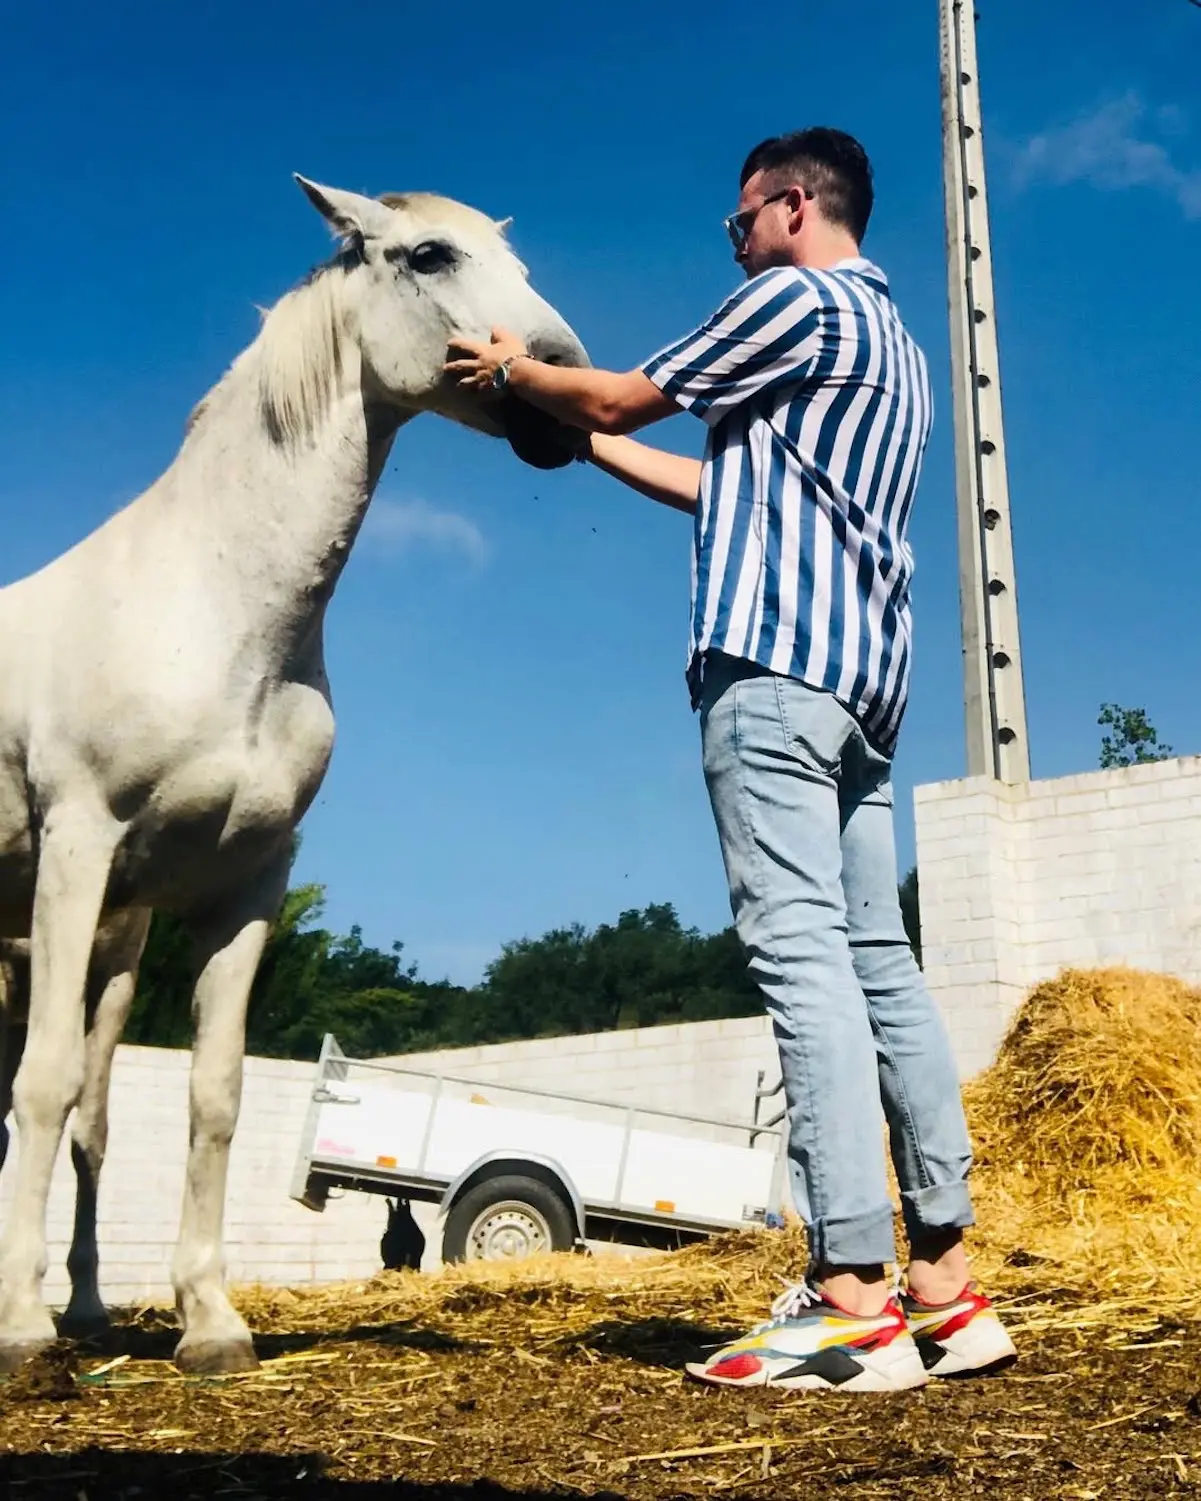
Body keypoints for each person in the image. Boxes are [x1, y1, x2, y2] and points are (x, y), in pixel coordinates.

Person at [446, 127, 1016, 1393]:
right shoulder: (902, 355)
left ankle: (850, 1292)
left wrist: (515, 370)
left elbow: (617, 391)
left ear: (794, 206)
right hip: (865, 695)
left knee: (799, 954)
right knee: (882, 964)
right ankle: (945, 1287)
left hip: (770, 674)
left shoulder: (794, 302)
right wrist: (590, 443)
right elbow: (725, 489)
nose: (734, 238)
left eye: (738, 221)